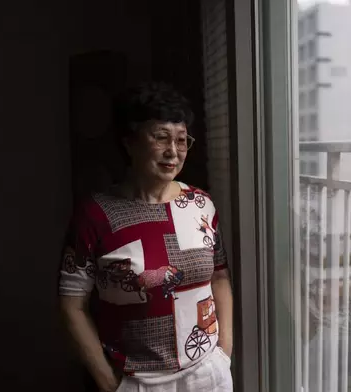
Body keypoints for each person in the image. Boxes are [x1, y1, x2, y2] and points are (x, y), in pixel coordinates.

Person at [59, 82, 234, 392]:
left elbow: (219, 277)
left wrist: (224, 352)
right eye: (160, 138)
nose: (174, 152)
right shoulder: (96, 214)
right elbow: (72, 304)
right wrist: (109, 381)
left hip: (207, 374)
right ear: (129, 141)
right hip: (138, 381)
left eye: (182, 140)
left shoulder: (200, 204)